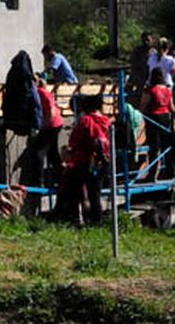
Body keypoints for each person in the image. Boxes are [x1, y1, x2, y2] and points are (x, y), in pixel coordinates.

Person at [53, 94, 110, 226]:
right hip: (102, 161)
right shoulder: (106, 121)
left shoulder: (86, 121)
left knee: (72, 187)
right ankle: (97, 220)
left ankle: (74, 218)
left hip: (84, 162)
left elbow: (74, 141)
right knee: (95, 193)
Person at [22, 78, 64, 211]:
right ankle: (60, 178)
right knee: (53, 153)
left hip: (52, 124)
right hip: (53, 123)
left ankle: (38, 181)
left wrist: (42, 127)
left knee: (39, 152)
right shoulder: (39, 92)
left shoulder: (41, 92)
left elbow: (51, 113)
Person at [140, 66, 175, 178]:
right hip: (166, 118)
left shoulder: (150, 90)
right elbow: (172, 107)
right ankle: (170, 171)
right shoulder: (167, 90)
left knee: (154, 148)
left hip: (154, 118)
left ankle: (153, 174)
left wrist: (141, 116)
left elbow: (143, 106)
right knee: (167, 146)